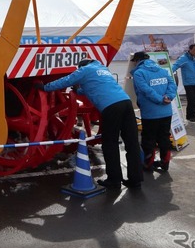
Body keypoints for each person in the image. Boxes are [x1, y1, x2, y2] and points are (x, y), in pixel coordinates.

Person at [37, 59, 143, 189]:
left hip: (110, 107)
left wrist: (45, 87)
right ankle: (136, 178)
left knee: (110, 143)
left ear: (81, 66)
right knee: (132, 142)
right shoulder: (103, 69)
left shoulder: (84, 70)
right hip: (126, 103)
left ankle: (114, 180)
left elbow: (66, 80)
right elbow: (94, 87)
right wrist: (79, 91)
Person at [131, 52, 177, 171]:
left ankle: (148, 163)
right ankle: (165, 162)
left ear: (137, 61)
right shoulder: (162, 70)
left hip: (150, 113)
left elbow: (146, 90)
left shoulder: (139, 73)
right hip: (166, 111)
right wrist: (169, 97)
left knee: (148, 138)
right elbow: (172, 84)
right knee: (164, 137)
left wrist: (160, 99)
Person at [172, 43, 195, 122]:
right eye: (194, 50)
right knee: (191, 100)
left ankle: (191, 115)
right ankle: (191, 116)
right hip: (189, 83)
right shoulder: (184, 58)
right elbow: (175, 66)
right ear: (190, 49)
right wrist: (169, 72)